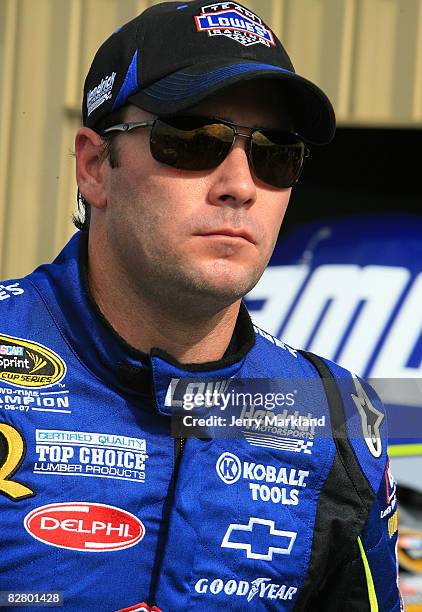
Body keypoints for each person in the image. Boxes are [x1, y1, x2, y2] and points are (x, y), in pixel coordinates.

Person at [0, 1, 403, 610]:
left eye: (274, 153)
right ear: (93, 167)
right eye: (191, 140)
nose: (241, 184)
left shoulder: (337, 419)